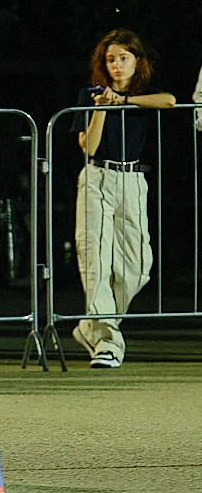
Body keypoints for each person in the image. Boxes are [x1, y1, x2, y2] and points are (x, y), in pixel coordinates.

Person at [71, 29, 173, 368]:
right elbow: (90, 147)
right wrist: (102, 107)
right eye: (110, 59)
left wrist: (124, 101)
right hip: (99, 176)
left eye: (123, 58)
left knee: (137, 265)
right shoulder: (90, 93)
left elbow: (170, 101)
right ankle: (108, 343)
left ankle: (92, 326)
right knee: (97, 262)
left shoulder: (144, 95)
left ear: (136, 62)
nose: (116, 64)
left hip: (133, 179)